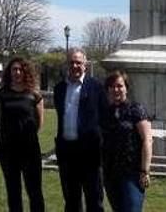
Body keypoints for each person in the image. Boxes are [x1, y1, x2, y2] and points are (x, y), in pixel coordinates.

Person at [53, 48, 109, 212]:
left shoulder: (96, 87)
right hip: (67, 153)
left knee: (94, 199)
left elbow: (105, 117)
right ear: (67, 65)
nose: (75, 66)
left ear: (85, 65)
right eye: (72, 62)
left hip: (90, 154)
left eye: (79, 62)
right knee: (71, 201)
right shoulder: (60, 88)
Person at [0, 57, 45, 212]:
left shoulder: (34, 94)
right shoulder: (2, 93)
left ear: (25, 72)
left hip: (30, 150)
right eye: (13, 69)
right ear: (9, 72)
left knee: (34, 191)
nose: (17, 72)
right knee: (13, 192)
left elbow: (39, 122)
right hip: (8, 150)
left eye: (20, 69)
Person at [102, 71, 153, 212]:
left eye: (120, 85)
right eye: (112, 86)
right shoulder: (106, 112)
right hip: (111, 173)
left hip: (132, 174)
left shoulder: (136, 109)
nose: (116, 89)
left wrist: (145, 171)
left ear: (126, 88)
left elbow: (147, 140)